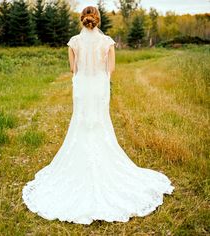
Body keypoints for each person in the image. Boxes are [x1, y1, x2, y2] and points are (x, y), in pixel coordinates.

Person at [22, 6, 175, 225]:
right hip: (99, 87)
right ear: (98, 20)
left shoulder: (73, 42)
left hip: (82, 87)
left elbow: (73, 69)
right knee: (100, 122)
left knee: (82, 122)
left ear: (82, 20)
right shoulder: (108, 42)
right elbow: (110, 68)